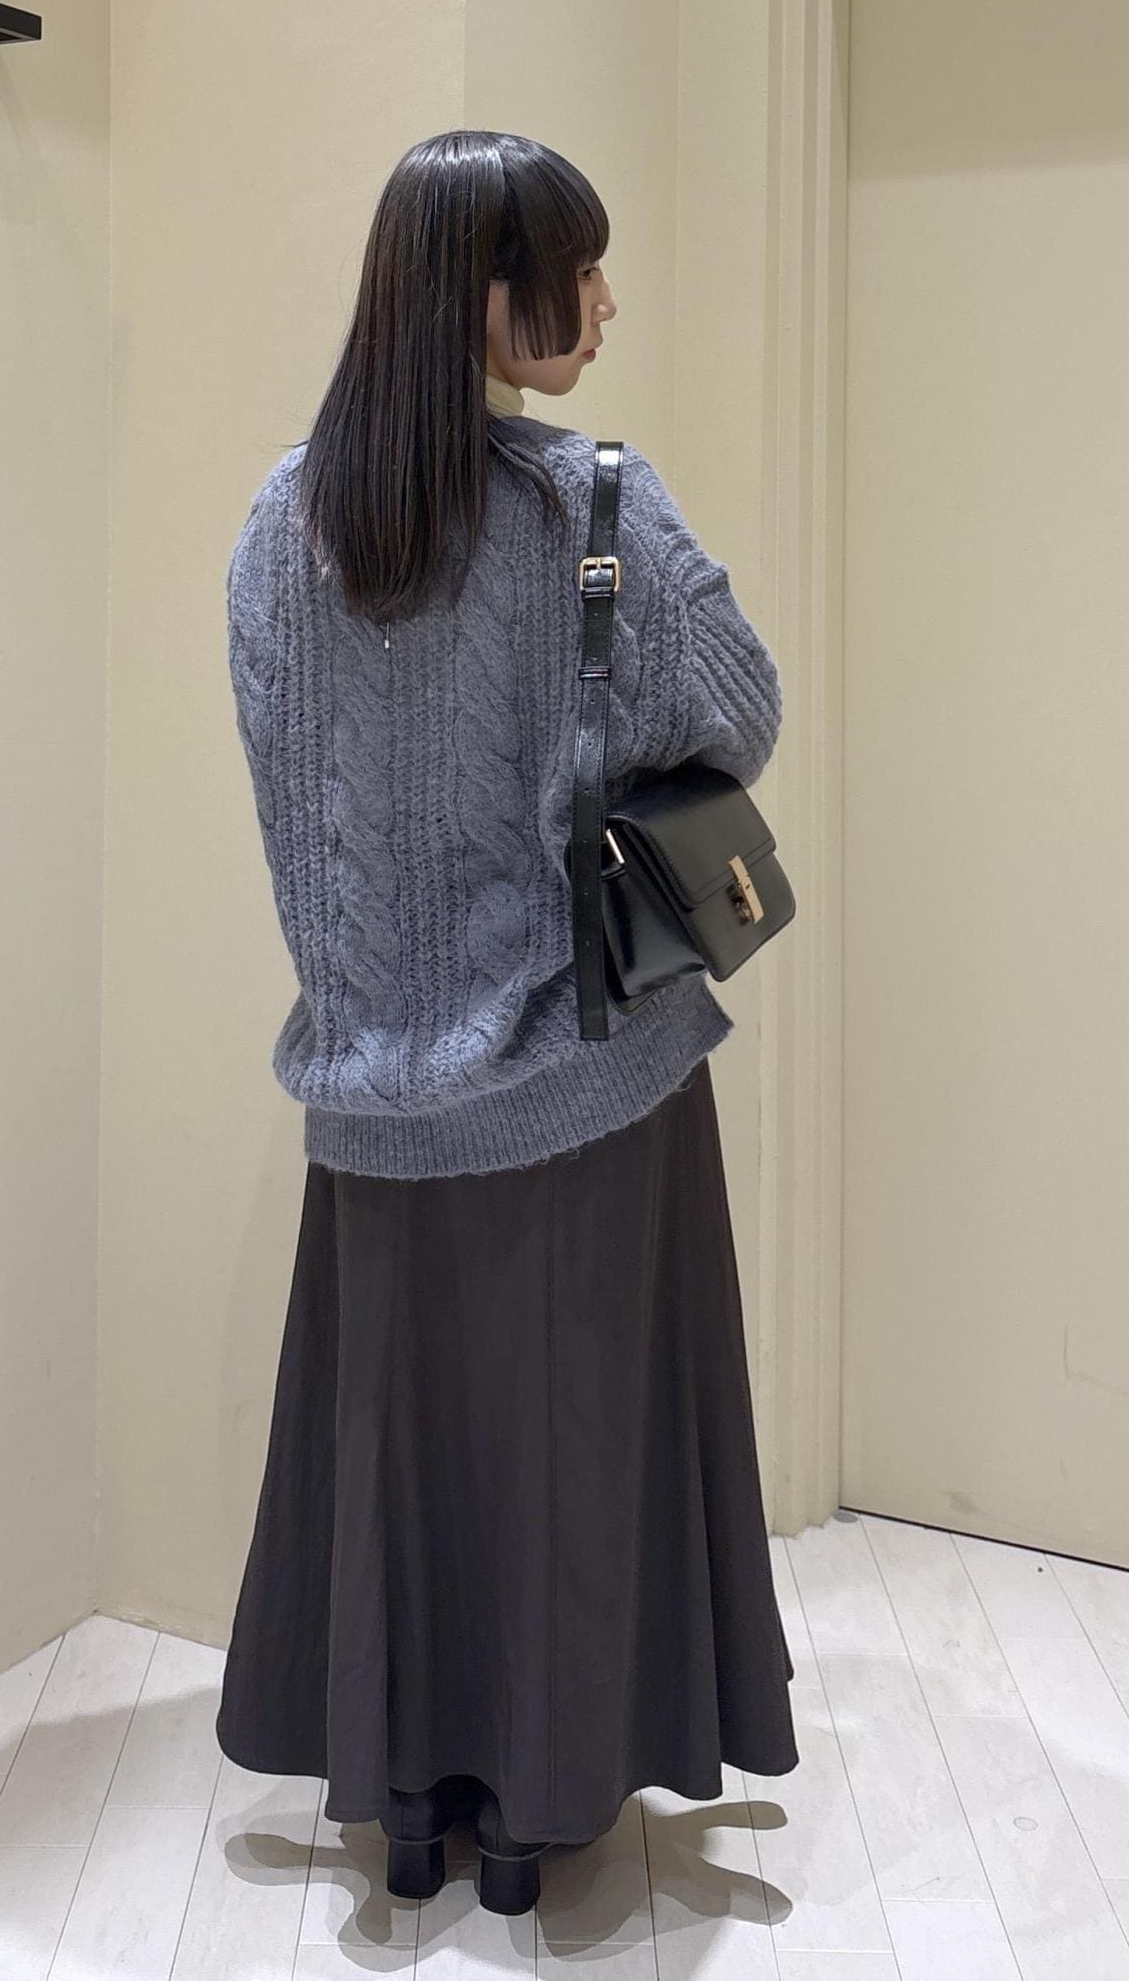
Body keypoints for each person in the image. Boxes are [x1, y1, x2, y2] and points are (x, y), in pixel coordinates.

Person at [215, 128, 798, 1917]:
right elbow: (741, 712)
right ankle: (545, 1824)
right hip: (584, 1078)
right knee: (574, 1449)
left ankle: (408, 1807)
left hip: (373, 1106)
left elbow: (288, 793)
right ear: (488, 294)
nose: (606, 302)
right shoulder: (590, 507)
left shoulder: (278, 524)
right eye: (578, 269)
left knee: (409, 1468)